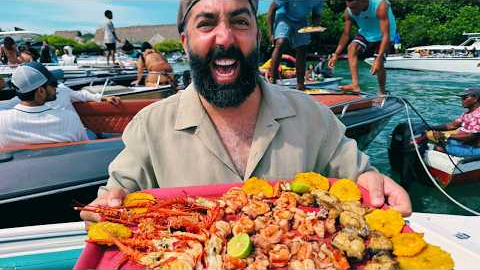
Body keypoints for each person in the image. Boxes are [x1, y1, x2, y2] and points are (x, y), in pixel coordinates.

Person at [80, 0, 411, 225]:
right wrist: (109, 205)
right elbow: (117, 194)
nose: (225, 37)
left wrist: (374, 183)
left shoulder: (315, 118)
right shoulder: (149, 128)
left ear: (257, 34)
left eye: (239, 21)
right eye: (207, 23)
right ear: (185, 41)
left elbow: (358, 176)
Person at [0, 62, 88, 148]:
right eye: (53, 84)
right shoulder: (69, 118)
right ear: (41, 91)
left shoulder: (2, 121)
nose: (56, 87)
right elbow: (84, 148)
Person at [328, 0, 396, 95]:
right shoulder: (349, 11)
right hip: (366, 33)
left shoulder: (380, 6)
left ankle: (382, 91)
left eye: (355, 8)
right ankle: (355, 85)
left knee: (379, 63)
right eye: (351, 8)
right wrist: (336, 54)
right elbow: (346, 34)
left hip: (384, 35)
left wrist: (378, 58)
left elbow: (386, 35)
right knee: (352, 48)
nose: (353, 12)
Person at [267, 0, 324, 90]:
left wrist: (315, 26)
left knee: (302, 48)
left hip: (301, 20)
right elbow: (272, 9)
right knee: (281, 43)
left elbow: (316, 15)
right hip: (283, 16)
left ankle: (300, 84)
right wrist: (270, 33)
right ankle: (272, 80)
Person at [428, 87, 480, 157]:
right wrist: (429, 127)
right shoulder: (468, 113)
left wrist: (447, 136)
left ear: (475, 99)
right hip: (465, 143)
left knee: (437, 148)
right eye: (462, 98)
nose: (462, 100)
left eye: (465, 97)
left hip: (475, 149)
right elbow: (452, 126)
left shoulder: (478, 115)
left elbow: (470, 136)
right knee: (432, 140)